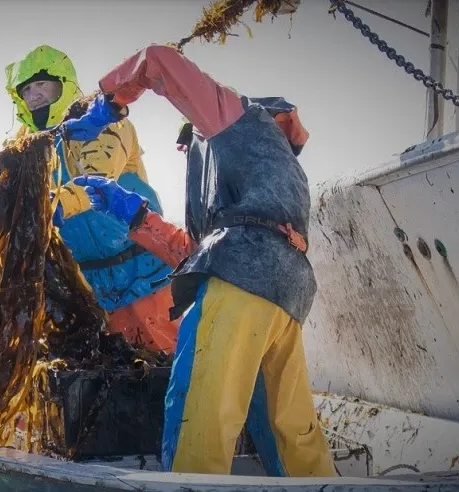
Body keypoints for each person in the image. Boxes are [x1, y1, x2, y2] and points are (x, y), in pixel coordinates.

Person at [65, 44, 335, 477]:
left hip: (237, 287)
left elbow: (157, 61)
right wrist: (132, 213)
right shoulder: (259, 177)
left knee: (199, 423)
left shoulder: (240, 121)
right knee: (291, 433)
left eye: (188, 141)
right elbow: (197, 250)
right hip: (285, 296)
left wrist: (108, 103)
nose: (187, 149)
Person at [3, 45, 182, 353]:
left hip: (143, 277)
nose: (34, 94)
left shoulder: (100, 122)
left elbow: (98, 182)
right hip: (91, 291)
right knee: (106, 379)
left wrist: (52, 206)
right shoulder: (27, 150)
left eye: (42, 84)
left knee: (161, 367)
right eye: (26, 89)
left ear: (63, 84)